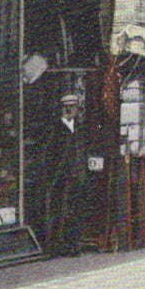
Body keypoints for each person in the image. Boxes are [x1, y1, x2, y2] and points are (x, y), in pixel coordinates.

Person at [44, 94, 93, 257]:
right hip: (61, 178)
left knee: (76, 211)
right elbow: (49, 155)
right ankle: (56, 246)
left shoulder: (80, 127)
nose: (69, 109)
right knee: (59, 211)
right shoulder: (56, 128)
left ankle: (73, 244)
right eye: (66, 107)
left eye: (72, 106)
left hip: (78, 177)